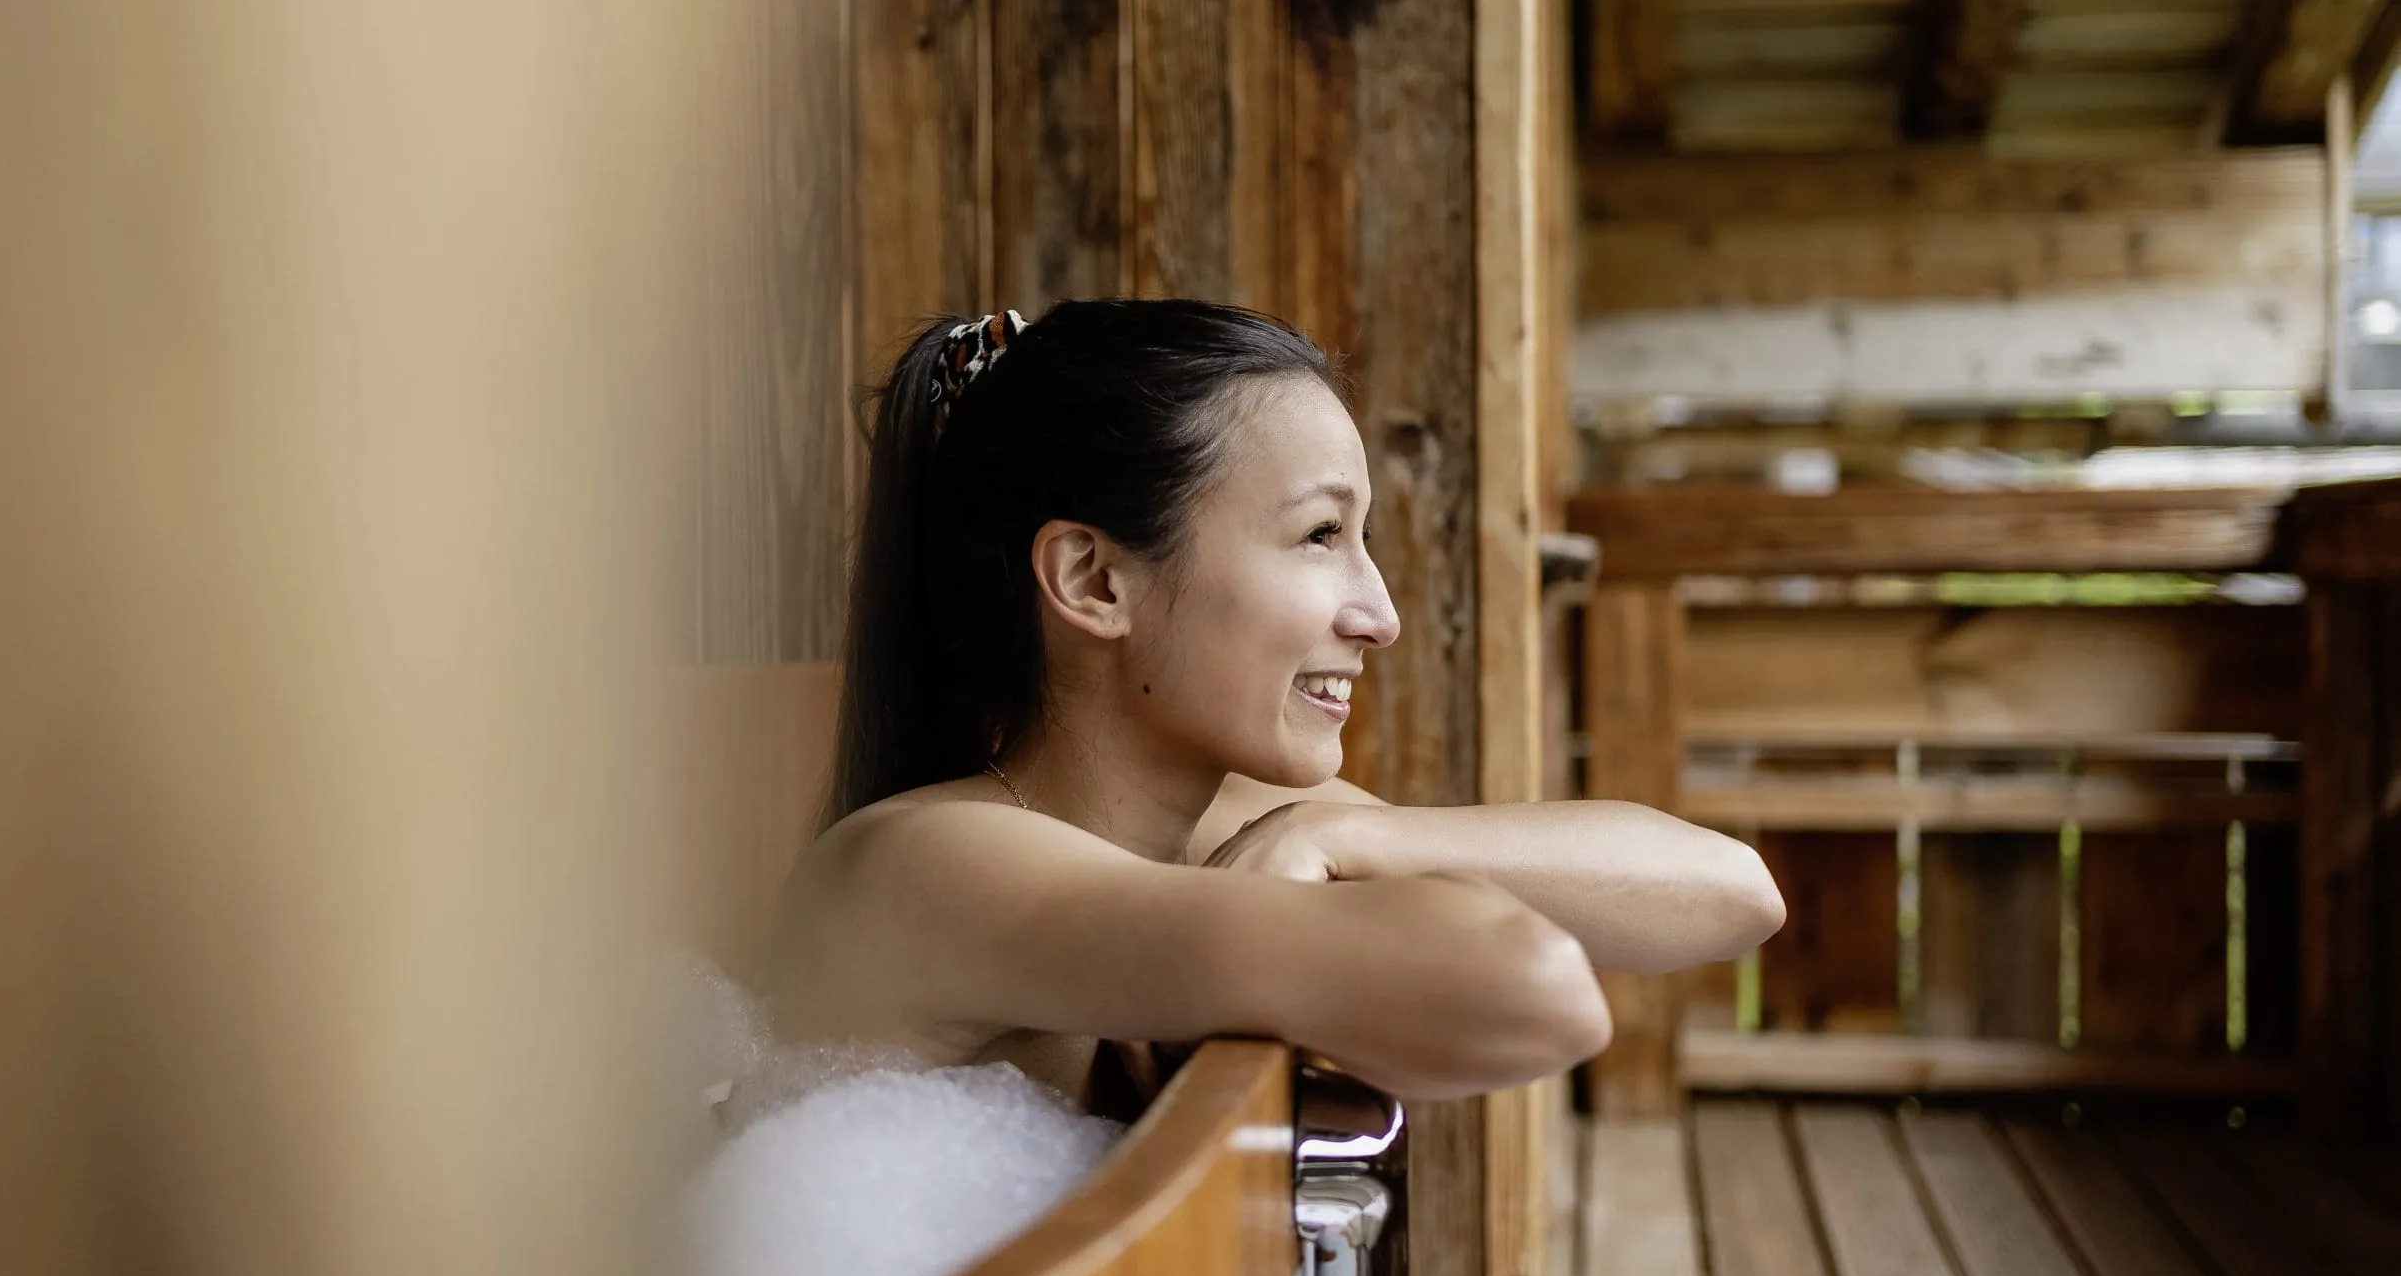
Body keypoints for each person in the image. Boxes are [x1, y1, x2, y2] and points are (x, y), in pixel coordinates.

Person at [759, 300, 1783, 1118]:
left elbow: (1734, 892)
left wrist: (1341, 831)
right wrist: (1344, 848)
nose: (1380, 613)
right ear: (1094, 579)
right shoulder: (928, 867)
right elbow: (1538, 994)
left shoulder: (1229, 819)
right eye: (1318, 535)